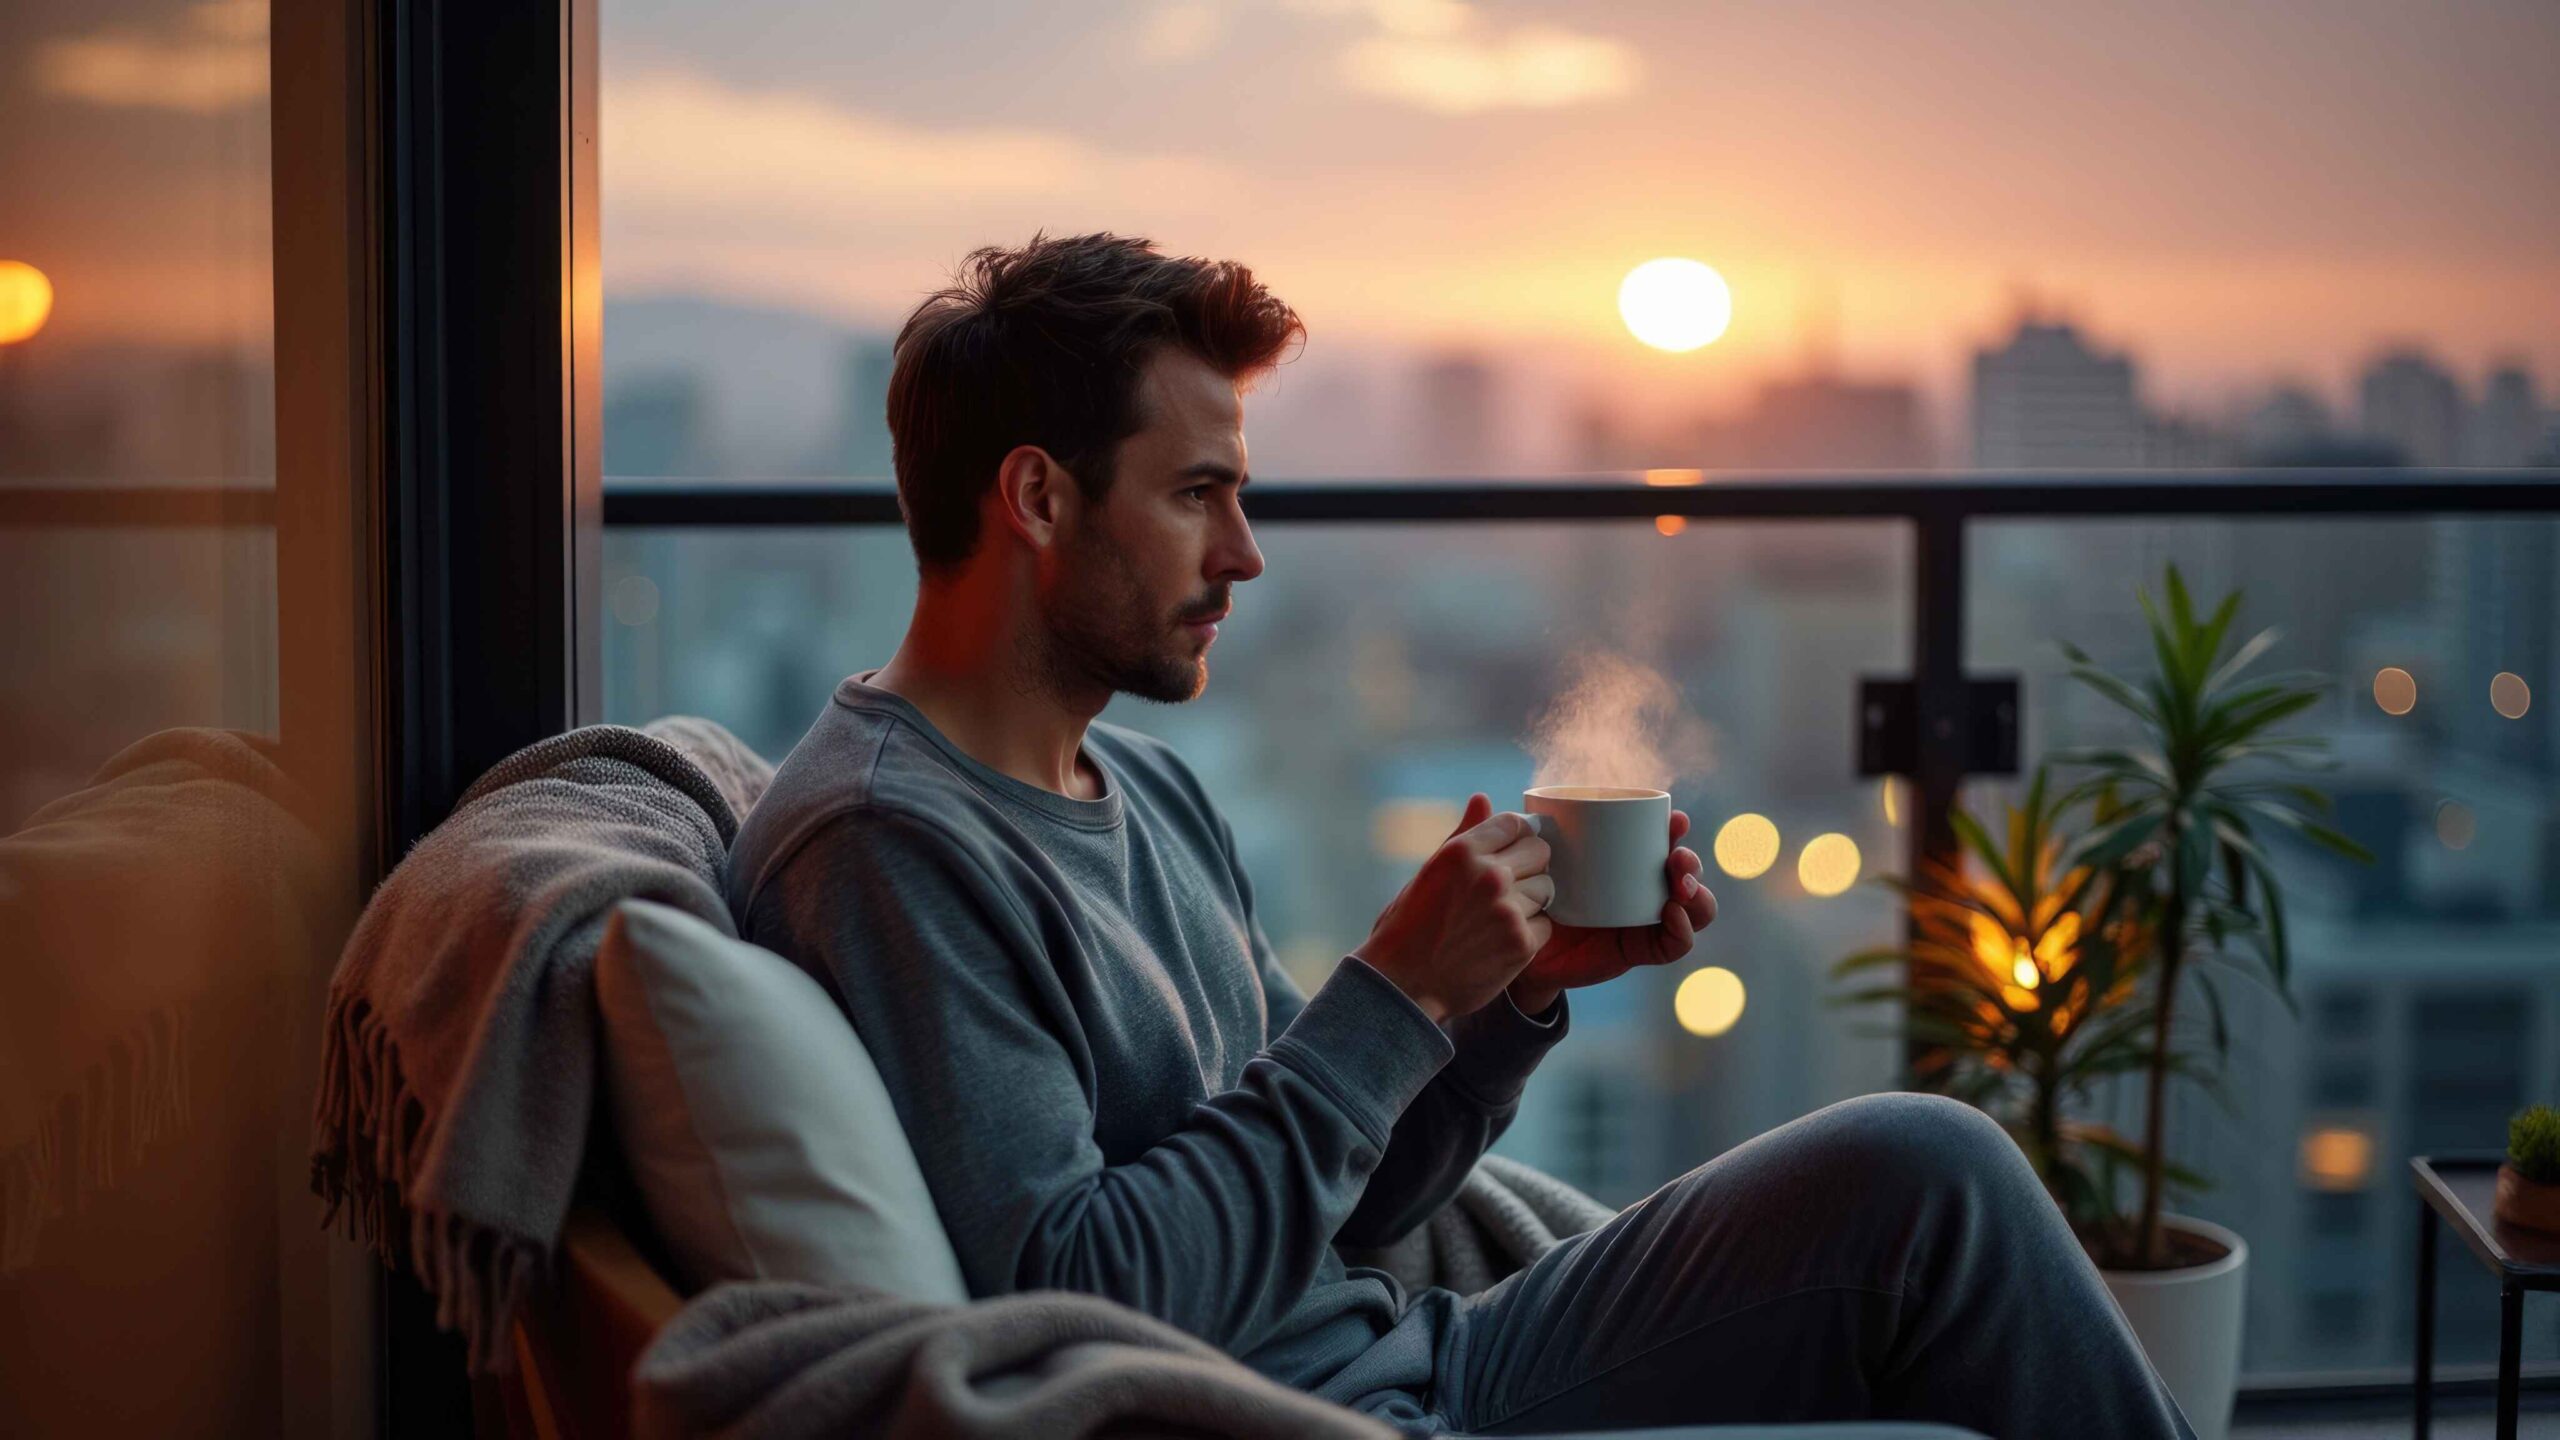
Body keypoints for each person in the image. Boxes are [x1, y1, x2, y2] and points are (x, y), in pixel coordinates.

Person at [724, 232, 2193, 1439]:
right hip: (1329, 1419)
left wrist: (1503, 1003)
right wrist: (1392, 997)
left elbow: (1325, 1205)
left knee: (1928, 1170)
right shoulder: (886, 843)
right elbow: (1078, 1304)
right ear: (1039, 497)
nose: (1243, 555)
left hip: (1426, 1351)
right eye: (1198, 497)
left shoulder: (1148, 789)